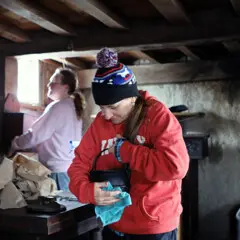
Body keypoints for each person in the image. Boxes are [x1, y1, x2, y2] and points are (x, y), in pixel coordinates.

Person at [68, 48, 189, 239]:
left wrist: (127, 152)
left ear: (132, 97)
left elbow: (176, 167)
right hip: (113, 224)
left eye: (113, 107)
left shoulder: (157, 116)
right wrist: (87, 191)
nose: (106, 115)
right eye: (101, 107)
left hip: (153, 227)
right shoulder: (100, 123)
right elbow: (78, 165)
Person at [9, 68, 85, 191]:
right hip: (68, 170)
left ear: (65, 87)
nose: (49, 85)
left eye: (53, 82)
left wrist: (15, 143)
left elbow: (35, 135)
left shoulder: (58, 107)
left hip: (57, 172)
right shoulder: (72, 107)